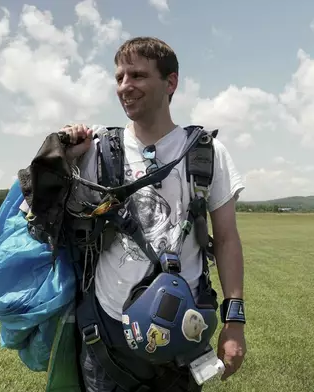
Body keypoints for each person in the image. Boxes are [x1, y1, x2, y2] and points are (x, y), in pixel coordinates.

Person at [55, 36, 247, 392]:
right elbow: (49, 219)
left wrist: (234, 320)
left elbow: (226, 238)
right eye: (119, 78)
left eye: (138, 76)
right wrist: (64, 159)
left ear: (170, 82)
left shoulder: (207, 152)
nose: (125, 86)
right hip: (107, 336)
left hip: (183, 336)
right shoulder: (96, 152)